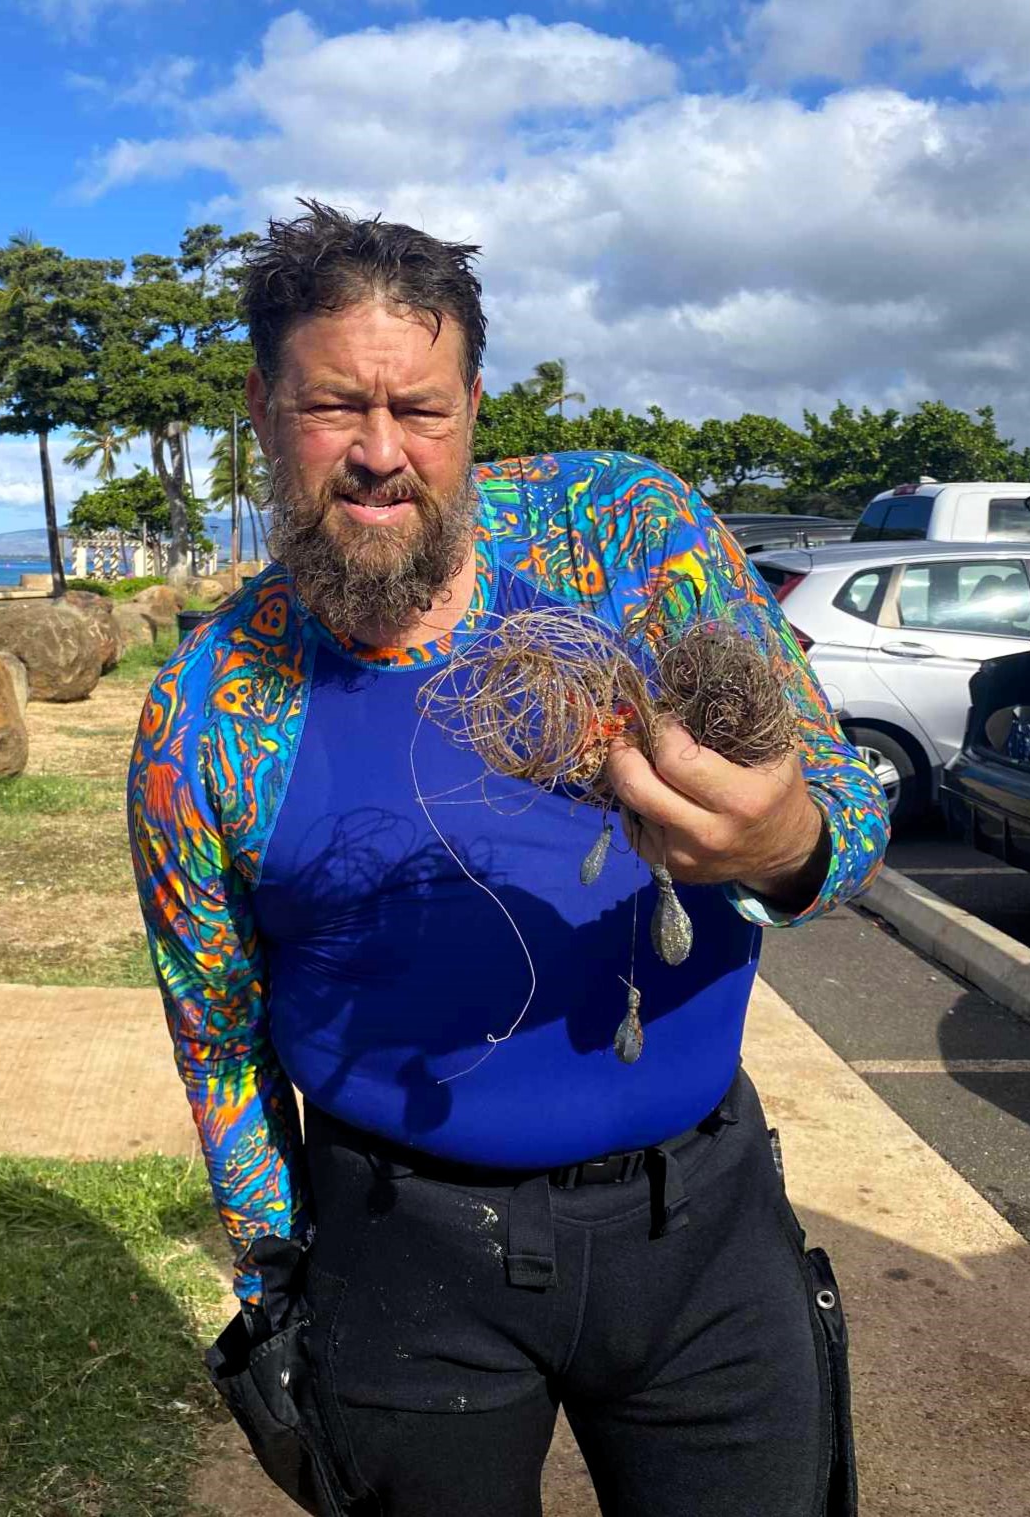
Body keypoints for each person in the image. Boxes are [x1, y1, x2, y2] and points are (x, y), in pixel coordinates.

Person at [128, 202, 889, 1517]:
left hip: (700, 1231)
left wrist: (785, 842)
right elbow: (218, 1040)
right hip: (404, 1263)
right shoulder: (202, 719)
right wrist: (277, 1285)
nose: (378, 453)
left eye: (418, 408)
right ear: (260, 408)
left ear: (475, 402)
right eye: (331, 407)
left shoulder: (628, 537)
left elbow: (845, 807)